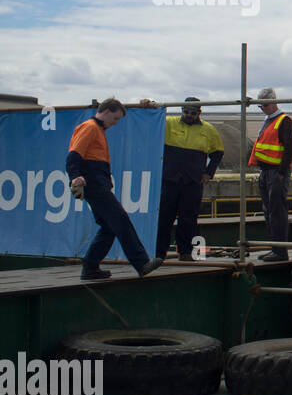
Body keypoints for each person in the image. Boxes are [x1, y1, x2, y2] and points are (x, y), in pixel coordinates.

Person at [67, 98, 165, 280]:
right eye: (115, 118)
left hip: (98, 183)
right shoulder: (90, 127)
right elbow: (74, 155)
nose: (115, 123)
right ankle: (141, 263)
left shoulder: (98, 130)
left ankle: (90, 267)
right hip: (94, 184)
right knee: (120, 220)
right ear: (106, 111)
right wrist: (74, 176)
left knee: (108, 227)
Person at [157, 97, 224, 260]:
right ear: (181, 110)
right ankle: (158, 252)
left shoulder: (209, 130)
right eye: (186, 112)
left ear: (199, 113)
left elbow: (217, 153)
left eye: (193, 113)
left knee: (188, 218)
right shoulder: (168, 123)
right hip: (169, 180)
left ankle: (185, 251)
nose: (189, 115)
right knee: (164, 217)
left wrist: (208, 173)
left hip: (193, 182)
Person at [249, 88, 292, 261]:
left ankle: (280, 252)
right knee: (269, 211)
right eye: (260, 106)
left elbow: (290, 148)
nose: (263, 108)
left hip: (276, 172)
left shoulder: (284, 121)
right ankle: (275, 248)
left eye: (265, 105)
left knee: (277, 212)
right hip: (266, 171)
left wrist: (282, 172)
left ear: (274, 102)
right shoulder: (268, 120)